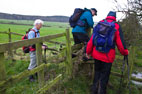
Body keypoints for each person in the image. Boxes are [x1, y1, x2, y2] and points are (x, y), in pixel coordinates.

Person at [86, 11, 129, 94]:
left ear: (107, 16)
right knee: (104, 77)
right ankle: (101, 91)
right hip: (107, 57)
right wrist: (125, 52)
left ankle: (94, 91)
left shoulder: (100, 24)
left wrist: (88, 52)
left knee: (97, 74)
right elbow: (120, 43)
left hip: (96, 54)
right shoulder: (116, 26)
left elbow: (91, 40)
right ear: (115, 17)